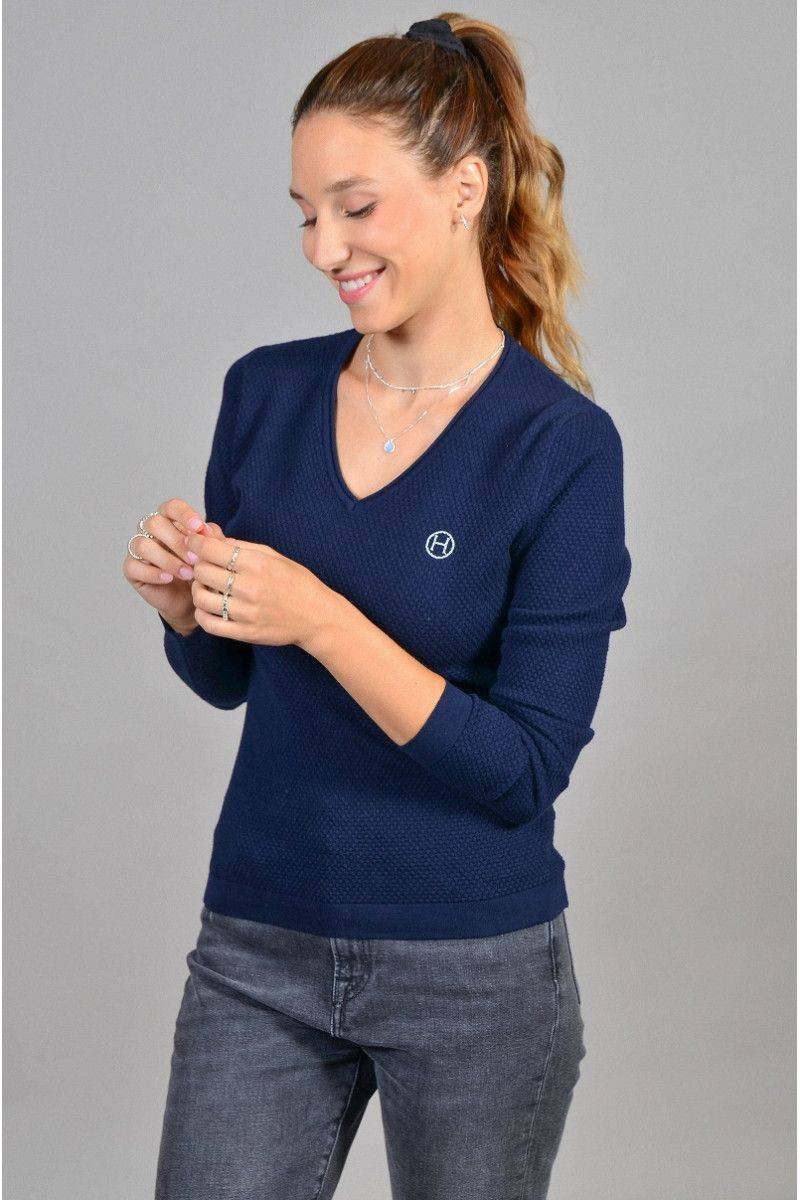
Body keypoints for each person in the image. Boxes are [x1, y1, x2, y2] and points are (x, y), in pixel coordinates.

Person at [123, 14, 632, 1199]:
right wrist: (187, 609)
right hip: (257, 944)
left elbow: (521, 771)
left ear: (464, 189)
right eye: (304, 214)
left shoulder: (557, 446)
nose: (322, 249)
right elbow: (233, 681)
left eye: (354, 207)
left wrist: (320, 617)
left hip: (473, 971)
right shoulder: (263, 392)